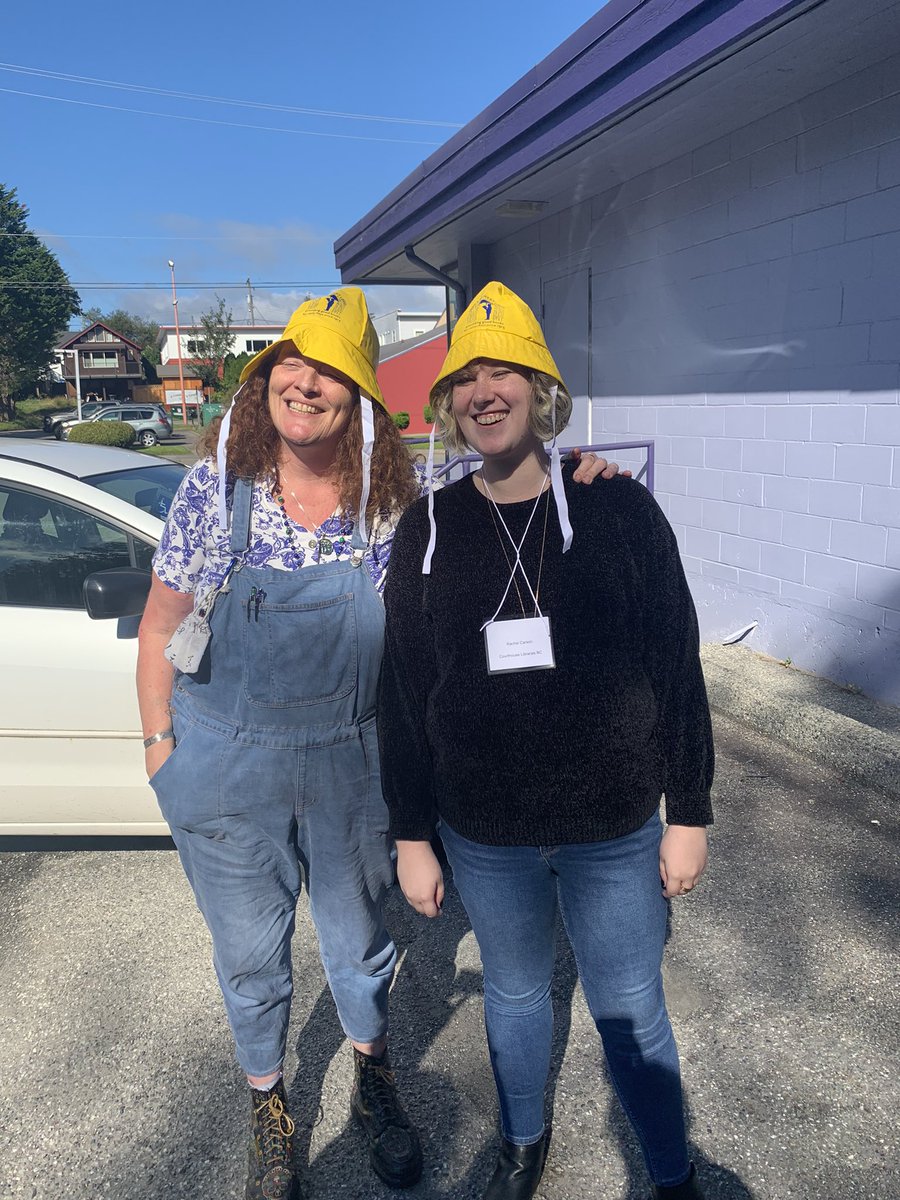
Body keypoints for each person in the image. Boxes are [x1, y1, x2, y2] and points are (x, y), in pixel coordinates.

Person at [136, 286, 621, 1200]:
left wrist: (579, 476)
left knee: (361, 944)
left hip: (354, 760)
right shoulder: (216, 490)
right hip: (223, 762)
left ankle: (372, 1078)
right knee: (249, 953)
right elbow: (160, 621)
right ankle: (270, 1107)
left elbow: (506, 497)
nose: (307, 383)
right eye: (293, 363)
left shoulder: (404, 506)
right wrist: (162, 751)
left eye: (331, 372)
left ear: (358, 398)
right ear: (263, 381)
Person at [378, 281, 714, 1200]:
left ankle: (670, 1165)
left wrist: (689, 809)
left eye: (506, 373)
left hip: (613, 825)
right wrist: (411, 832)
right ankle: (525, 1139)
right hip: (487, 832)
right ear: (447, 405)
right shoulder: (429, 529)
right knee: (518, 998)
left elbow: (676, 661)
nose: (486, 392)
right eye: (466, 379)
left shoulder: (617, 511)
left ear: (542, 390)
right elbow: (403, 690)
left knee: (629, 1004)